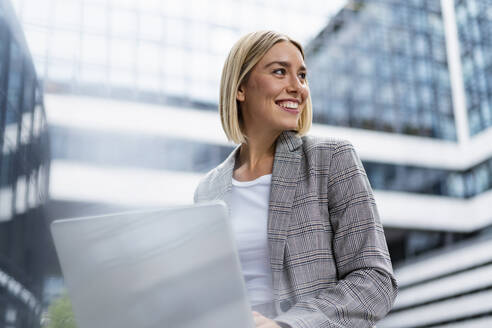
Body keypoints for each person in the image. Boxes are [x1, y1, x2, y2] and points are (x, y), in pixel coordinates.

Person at [194, 30, 397, 328]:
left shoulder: (331, 159)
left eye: (302, 76)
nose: (298, 87)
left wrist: (289, 325)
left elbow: (374, 281)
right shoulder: (208, 190)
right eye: (280, 72)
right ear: (241, 88)